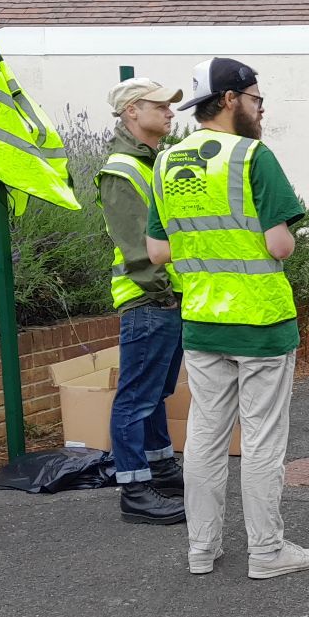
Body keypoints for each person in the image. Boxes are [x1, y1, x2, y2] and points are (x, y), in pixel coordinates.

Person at [146, 57, 309, 580]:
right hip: (262, 322)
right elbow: (279, 244)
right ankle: (267, 551)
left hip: (202, 320)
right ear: (230, 99)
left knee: (204, 438)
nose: (260, 110)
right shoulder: (252, 156)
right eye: (256, 100)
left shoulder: (166, 162)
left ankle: (201, 550)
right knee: (263, 440)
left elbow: (157, 251)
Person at [96, 77, 187, 525]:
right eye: (161, 106)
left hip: (165, 299)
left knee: (155, 394)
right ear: (132, 110)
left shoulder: (153, 161)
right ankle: (135, 489)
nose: (171, 113)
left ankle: (161, 469)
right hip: (149, 300)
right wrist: (165, 294)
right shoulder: (122, 168)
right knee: (135, 398)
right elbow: (136, 247)